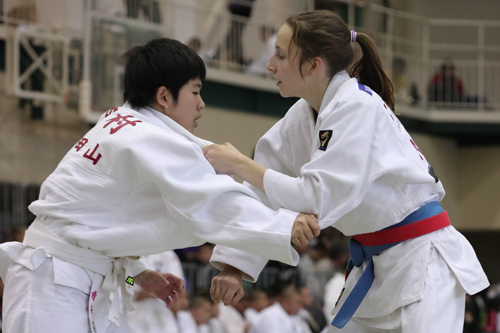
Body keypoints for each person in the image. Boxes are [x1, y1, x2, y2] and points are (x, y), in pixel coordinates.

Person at [0, 38, 320, 333]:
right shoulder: (146, 137)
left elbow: (100, 230)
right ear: (164, 96)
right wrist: (283, 224)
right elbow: (211, 203)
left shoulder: (123, 125)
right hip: (51, 288)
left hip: (75, 279)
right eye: (195, 92)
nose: (201, 104)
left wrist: (139, 275)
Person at [202, 10, 489, 332]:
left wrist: (239, 163)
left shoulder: (355, 107)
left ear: (314, 64)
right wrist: (233, 266)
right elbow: (261, 194)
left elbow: (315, 198)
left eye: (281, 55)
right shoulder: (302, 117)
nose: (270, 64)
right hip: (376, 267)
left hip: (422, 261)